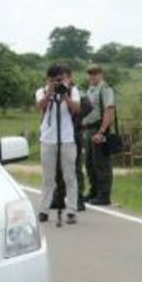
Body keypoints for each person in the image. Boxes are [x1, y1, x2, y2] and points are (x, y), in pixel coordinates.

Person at [35, 65, 82, 224]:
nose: (57, 82)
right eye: (54, 79)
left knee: (70, 176)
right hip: (48, 139)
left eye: (60, 79)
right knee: (48, 178)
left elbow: (76, 109)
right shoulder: (41, 91)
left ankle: (71, 210)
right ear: (48, 79)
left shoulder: (72, 91)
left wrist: (65, 96)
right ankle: (44, 210)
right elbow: (39, 107)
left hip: (67, 139)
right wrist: (49, 92)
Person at [50, 68, 87, 213]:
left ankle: (79, 200)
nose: (61, 81)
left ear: (70, 78)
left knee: (74, 168)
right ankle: (58, 198)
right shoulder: (53, 91)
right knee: (58, 168)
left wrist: (65, 94)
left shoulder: (74, 91)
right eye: (58, 78)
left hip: (74, 133)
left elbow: (81, 109)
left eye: (64, 78)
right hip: (57, 135)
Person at [82, 64, 116, 206]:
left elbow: (109, 110)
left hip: (99, 129)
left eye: (95, 73)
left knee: (101, 164)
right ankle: (94, 191)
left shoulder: (105, 89)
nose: (92, 76)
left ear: (101, 74)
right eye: (90, 73)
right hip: (88, 129)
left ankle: (104, 195)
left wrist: (102, 131)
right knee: (90, 163)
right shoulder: (90, 90)